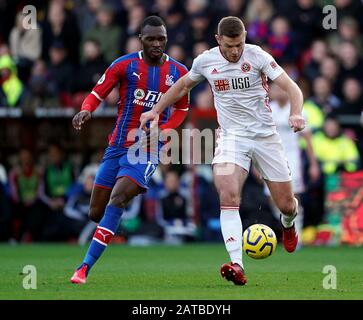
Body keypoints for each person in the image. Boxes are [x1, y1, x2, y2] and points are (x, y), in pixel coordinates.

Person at [140, 16, 305, 286]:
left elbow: (292, 88)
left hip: (265, 137)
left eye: (239, 44)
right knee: (227, 192)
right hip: (232, 138)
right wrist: (156, 110)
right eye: (229, 46)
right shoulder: (206, 61)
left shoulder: (258, 56)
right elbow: (182, 86)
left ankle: (288, 225)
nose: (235, 51)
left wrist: (296, 113)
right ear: (218, 41)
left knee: (287, 204)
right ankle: (237, 264)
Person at [70, 16, 189, 284]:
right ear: (141, 40)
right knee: (96, 213)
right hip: (116, 147)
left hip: (146, 149)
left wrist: (166, 129)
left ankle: (84, 268)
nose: (157, 43)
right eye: (152, 39)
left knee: (118, 199)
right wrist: (86, 110)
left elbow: (182, 108)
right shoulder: (124, 65)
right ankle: (115, 224)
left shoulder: (179, 72)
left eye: (162, 38)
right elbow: (97, 93)